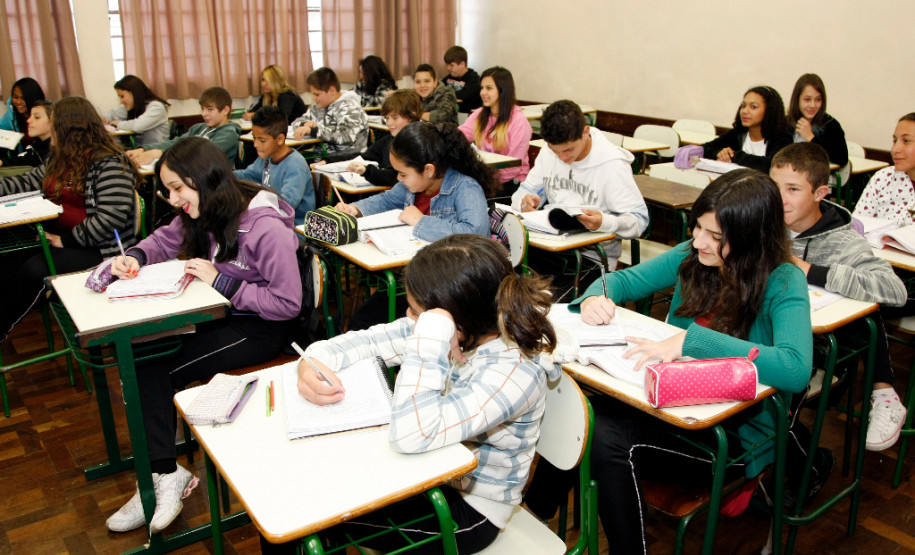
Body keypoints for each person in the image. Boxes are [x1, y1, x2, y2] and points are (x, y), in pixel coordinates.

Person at [523, 169, 813, 554]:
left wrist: (694, 341)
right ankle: (532, 518)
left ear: (750, 238)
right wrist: (595, 297)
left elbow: (795, 369)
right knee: (582, 411)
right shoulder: (693, 256)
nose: (698, 241)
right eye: (697, 228)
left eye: (715, 236)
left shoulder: (782, 280)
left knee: (607, 439)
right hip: (662, 405)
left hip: (731, 437)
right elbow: (620, 282)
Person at [275, 234, 559, 555]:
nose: (409, 320)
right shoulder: (458, 326)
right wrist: (313, 361)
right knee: (302, 494)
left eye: (416, 313)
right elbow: (364, 343)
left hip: (471, 509)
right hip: (425, 475)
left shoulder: (512, 371)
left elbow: (412, 435)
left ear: (457, 321)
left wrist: (431, 333)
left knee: (300, 516)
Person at [105, 136, 301, 534]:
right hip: (222, 314)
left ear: (204, 179)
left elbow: (288, 303)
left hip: (262, 328)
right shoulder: (209, 208)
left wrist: (224, 284)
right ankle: (162, 474)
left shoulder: (263, 226)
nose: (173, 199)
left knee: (156, 371)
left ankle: (163, 476)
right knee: (143, 359)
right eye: (168, 189)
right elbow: (165, 238)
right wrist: (136, 256)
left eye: (178, 188)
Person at [771, 142, 907, 453]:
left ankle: (882, 395)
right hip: (769, 334)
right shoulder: (764, 224)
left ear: (820, 193)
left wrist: (812, 271)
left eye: (792, 189)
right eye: (774, 186)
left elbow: (894, 290)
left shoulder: (843, 240)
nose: (780, 198)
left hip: (820, 350)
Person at [0, 96, 139, 343]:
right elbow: (24, 183)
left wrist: (66, 240)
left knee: (34, 271)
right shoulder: (61, 159)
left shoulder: (109, 163)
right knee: (7, 260)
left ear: (67, 129)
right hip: (62, 240)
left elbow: (110, 220)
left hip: (101, 249)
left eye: (54, 124)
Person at [336, 120, 491, 330]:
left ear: (428, 170)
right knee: (361, 322)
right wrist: (356, 209)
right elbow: (387, 200)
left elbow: (475, 233)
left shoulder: (465, 187)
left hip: (452, 287)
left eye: (403, 174)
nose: (399, 179)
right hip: (420, 277)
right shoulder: (413, 185)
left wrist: (421, 222)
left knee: (379, 325)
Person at [510, 100, 648, 269]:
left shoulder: (613, 164)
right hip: (548, 247)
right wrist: (524, 202)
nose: (562, 158)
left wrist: (604, 222)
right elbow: (525, 190)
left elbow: (639, 221)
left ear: (585, 132)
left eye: (569, 150)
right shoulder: (548, 151)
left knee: (539, 292)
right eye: (555, 151)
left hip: (592, 258)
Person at [234, 106, 314, 226]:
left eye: (262, 140)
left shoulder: (295, 165)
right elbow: (246, 175)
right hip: (271, 220)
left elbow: (286, 204)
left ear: (280, 139)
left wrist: (255, 204)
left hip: (293, 229)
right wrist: (223, 175)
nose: (255, 144)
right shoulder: (267, 157)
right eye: (254, 138)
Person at [458, 66, 532, 195]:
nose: (483, 93)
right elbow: (459, 136)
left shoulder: (519, 121)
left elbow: (513, 167)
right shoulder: (480, 114)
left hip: (511, 185)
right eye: (482, 88)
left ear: (503, 90)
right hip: (486, 179)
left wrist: (480, 179)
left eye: (489, 88)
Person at [128, 86, 241, 166]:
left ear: (226, 110)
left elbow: (203, 155)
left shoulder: (229, 134)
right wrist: (143, 149)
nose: (204, 114)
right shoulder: (199, 128)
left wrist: (158, 153)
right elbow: (176, 143)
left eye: (210, 109)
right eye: (202, 109)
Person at [702, 85, 792, 173]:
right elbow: (704, 148)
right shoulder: (738, 133)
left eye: (753, 107)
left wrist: (734, 156)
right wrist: (720, 153)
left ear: (769, 110)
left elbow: (771, 165)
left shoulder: (782, 137)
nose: (745, 111)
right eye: (743, 106)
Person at [346, 89, 422, 187]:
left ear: (412, 116)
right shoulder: (390, 139)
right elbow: (365, 155)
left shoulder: (417, 143)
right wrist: (328, 161)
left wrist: (366, 171)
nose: (389, 123)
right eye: (387, 118)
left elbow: (394, 177)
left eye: (395, 118)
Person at [292, 67, 369, 162]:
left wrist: (314, 130)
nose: (314, 98)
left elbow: (346, 136)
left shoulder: (350, 107)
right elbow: (296, 122)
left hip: (347, 160)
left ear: (331, 90)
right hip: (321, 158)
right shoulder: (319, 106)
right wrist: (304, 125)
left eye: (317, 94)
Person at [852, 113, 915, 226]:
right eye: (895, 141)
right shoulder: (883, 178)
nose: (895, 149)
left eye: (906, 140)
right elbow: (857, 225)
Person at [786, 73, 848, 167]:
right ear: (797, 99)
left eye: (818, 100)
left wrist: (811, 138)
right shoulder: (786, 123)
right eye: (807, 99)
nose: (813, 105)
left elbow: (842, 159)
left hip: (820, 177)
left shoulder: (831, 124)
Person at [100, 74, 171, 147]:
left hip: (156, 153)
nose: (121, 101)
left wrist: (118, 124)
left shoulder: (156, 107)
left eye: (122, 96)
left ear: (133, 93)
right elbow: (111, 114)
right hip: (140, 151)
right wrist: (101, 118)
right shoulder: (131, 107)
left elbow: (138, 126)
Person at [241, 64, 307, 124]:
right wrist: (248, 115)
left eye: (268, 81)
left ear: (276, 81)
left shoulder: (288, 94)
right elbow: (255, 110)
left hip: (294, 130)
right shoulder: (267, 95)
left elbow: (281, 117)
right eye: (263, 80)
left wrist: (255, 115)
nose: (264, 84)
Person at [0, 77, 46, 159]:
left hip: (41, 158)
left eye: (23, 98)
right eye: (15, 97)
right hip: (23, 159)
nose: (18, 102)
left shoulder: (45, 113)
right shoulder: (11, 116)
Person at [0, 100, 52, 168]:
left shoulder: (55, 153)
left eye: (37, 117)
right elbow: (23, 161)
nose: (29, 120)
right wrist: (2, 162)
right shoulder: (36, 147)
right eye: (30, 116)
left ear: (52, 122)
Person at [440, 45, 481, 113]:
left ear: (462, 64)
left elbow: (464, 95)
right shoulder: (450, 77)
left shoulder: (474, 80)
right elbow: (438, 88)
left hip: (467, 116)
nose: (448, 68)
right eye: (447, 65)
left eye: (451, 65)